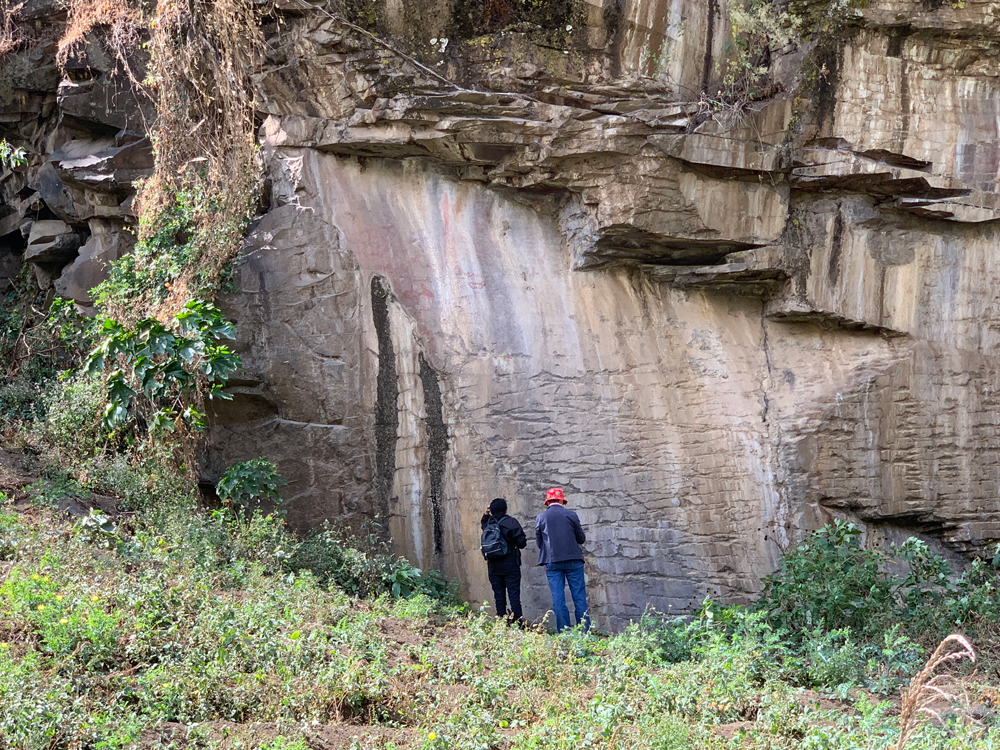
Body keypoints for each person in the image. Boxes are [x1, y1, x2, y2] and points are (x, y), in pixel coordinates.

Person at [535, 487, 589, 632]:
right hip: (573, 560)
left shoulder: (541, 518)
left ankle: (564, 634)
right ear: (560, 500)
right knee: (579, 598)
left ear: (547, 502)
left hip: (552, 562)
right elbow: (581, 539)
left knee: (558, 600)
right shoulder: (571, 515)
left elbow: (540, 543)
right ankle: (585, 633)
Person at [480, 497, 527, 623]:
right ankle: (518, 623)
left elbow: (483, 524)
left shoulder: (489, 524)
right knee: (514, 597)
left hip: (494, 567)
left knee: (499, 597)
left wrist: (486, 514)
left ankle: (502, 623)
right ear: (505, 510)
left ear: (492, 511)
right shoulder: (510, 522)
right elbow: (522, 543)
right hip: (511, 566)